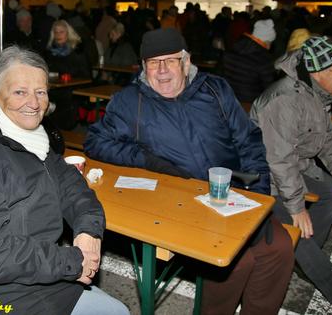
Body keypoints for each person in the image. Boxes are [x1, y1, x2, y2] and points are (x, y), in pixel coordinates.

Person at [84, 28, 294, 315]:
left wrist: (259, 197)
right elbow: (95, 142)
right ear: (143, 67)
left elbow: (249, 141)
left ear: (186, 62)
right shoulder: (131, 101)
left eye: (170, 60)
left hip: (233, 193)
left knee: (279, 249)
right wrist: (145, 159)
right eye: (153, 62)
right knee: (235, 261)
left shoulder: (215, 90)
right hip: (181, 201)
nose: (162, 70)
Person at [0, 46, 129, 315]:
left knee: (116, 311)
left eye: (41, 92)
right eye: (20, 92)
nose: (34, 103)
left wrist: (88, 231)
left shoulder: (30, 136)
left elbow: (73, 187)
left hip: (39, 280)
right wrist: (71, 262)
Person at [250, 36, 332, 315]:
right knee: (294, 222)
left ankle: (303, 259)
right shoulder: (284, 100)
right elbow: (278, 160)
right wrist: (296, 206)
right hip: (261, 176)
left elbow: (327, 141)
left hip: (293, 167)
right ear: (317, 72)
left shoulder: (316, 94)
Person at [222, 18, 276, 107]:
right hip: (250, 104)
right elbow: (269, 88)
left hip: (227, 100)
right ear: (267, 41)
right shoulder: (264, 59)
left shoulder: (232, 49)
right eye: (270, 42)